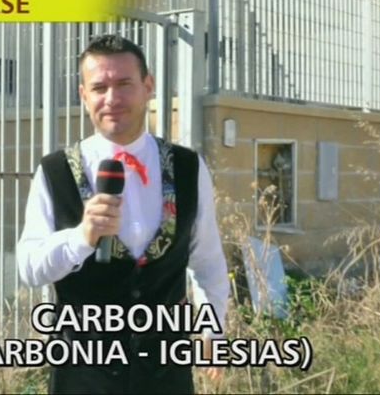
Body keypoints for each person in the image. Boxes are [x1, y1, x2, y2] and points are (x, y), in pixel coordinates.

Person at [16, 34, 230, 394]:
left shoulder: (188, 167)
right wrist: (81, 237)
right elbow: (29, 267)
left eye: (124, 84)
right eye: (99, 87)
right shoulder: (55, 171)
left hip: (165, 375)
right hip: (83, 376)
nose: (112, 99)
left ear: (148, 87)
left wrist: (212, 330)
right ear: (84, 95)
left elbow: (207, 260)